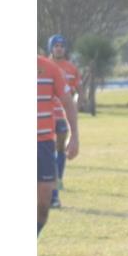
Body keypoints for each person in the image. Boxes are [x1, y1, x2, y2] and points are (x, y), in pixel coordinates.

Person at [38, 53, 79, 235]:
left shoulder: (49, 68)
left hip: (44, 144)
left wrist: (74, 135)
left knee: (44, 203)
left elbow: (68, 102)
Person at [47, 34, 82, 208]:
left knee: (59, 148)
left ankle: (58, 180)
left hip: (61, 115)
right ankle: (50, 188)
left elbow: (77, 91)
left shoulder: (71, 68)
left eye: (62, 45)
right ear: (50, 48)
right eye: (56, 45)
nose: (59, 48)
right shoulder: (43, 66)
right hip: (45, 115)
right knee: (47, 150)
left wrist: (75, 106)